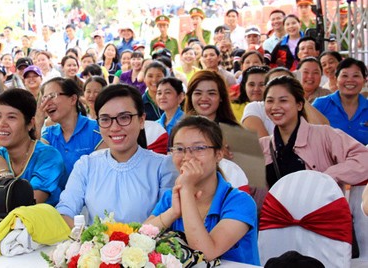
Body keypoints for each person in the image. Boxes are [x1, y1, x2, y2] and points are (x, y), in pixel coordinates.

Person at [56, 84, 177, 225]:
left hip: (150, 245)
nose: (114, 128)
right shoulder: (87, 165)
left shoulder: (163, 167)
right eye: (105, 119)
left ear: (142, 120)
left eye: (124, 118)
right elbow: (66, 209)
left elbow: (166, 217)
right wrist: (89, 241)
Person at [146, 116, 259, 265]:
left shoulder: (240, 202)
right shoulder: (171, 197)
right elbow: (140, 237)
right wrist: (173, 212)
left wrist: (187, 190)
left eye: (199, 148)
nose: (187, 157)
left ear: (218, 154)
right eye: (179, 149)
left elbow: (205, 253)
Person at [0, 89, 66, 206]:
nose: (1, 123)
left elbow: (24, 206)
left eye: (11, 117)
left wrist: (1, 167)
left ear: (30, 124)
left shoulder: (49, 157)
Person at [260, 76, 368, 188]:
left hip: (320, 205)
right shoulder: (262, 145)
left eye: (283, 100)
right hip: (274, 206)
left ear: (299, 105)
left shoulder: (324, 135)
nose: (275, 107)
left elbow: (364, 158)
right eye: (270, 101)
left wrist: (327, 177)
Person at [37, 78, 104, 180]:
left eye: (52, 96)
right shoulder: (48, 134)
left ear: (73, 99)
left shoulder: (97, 130)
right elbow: (35, 165)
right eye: (44, 99)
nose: (47, 103)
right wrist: (38, 125)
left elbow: (103, 175)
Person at [313, 58, 368, 145]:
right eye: (345, 76)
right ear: (336, 79)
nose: (350, 80)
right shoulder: (321, 105)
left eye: (356, 76)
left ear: (364, 80)